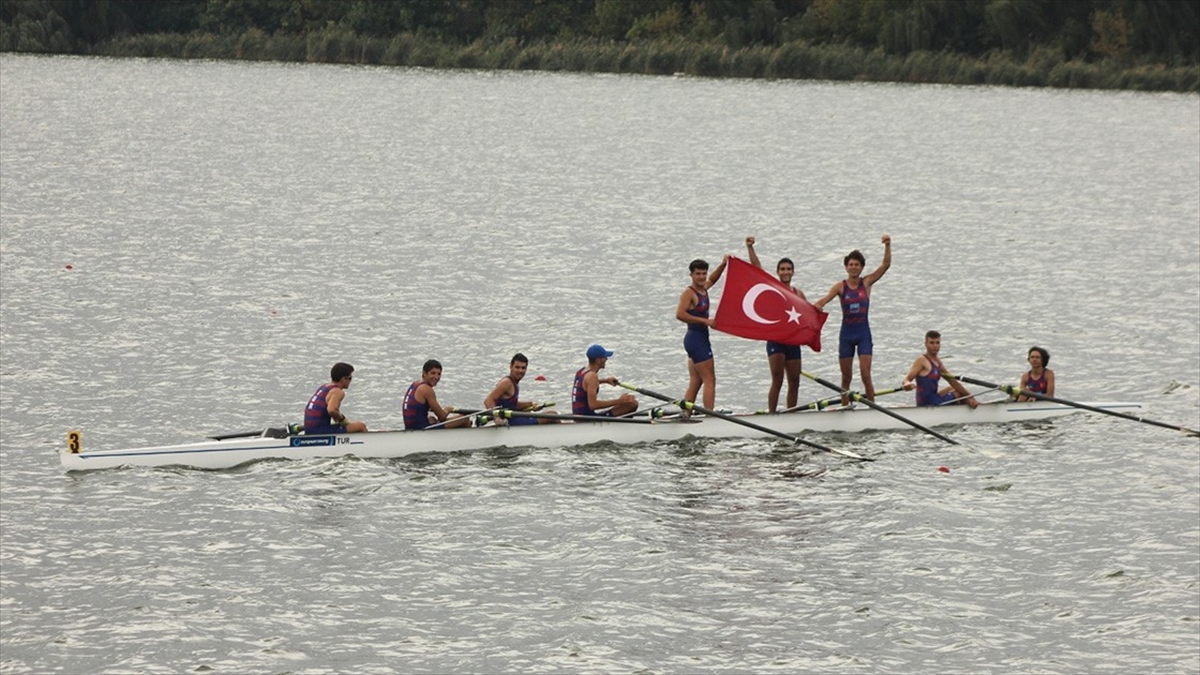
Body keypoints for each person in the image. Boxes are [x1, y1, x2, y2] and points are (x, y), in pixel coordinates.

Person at [812, 234, 891, 403]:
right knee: (846, 377)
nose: (854, 267)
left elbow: (885, 265)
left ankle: (873, 407)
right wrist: (812, 307)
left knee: (865, 375)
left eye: (857, 265)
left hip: (863, 334)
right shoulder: (840, 287)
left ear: (862, 268)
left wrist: (887, 245)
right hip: (846, 336)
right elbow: (822, 301)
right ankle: (845, 407)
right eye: (851, 265)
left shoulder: (867, 282)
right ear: (846, 267)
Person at [747, 236, 806, 412]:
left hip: (793, 342)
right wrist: (750, 248)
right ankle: (772, 414)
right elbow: (757, 269)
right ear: (778, 272)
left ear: (793, 272)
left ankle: (791, 412)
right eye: (782, 269)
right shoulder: (773, 288)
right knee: (778, 380)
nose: (786, 272)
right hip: (776, 341)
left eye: (789, 269)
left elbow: (808, 315)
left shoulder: (799, 294)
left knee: (794, 380)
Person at [676, 255, 729, 411]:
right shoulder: (689, 293)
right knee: (710, 379)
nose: (701, 277)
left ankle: (685, 413)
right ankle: (710, 417)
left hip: (699, 339)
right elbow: (680, 314)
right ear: (691, 275)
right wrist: (706, 321)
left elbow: (713, 279)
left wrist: (723, 264)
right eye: (698, 274)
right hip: (695, 339)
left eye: (703, 273)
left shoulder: (704, 287)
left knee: (696, 380)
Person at [902, 331, 978, 408]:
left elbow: (952, 381)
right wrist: (907, 384)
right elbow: (906, 379)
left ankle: (969, 405)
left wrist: (970, 395)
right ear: (925, 344)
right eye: (931, 343)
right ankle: (970, 409)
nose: (935, 346)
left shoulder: (937, 361)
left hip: (934, 398)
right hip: (926, 403)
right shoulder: (921, 360)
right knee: (959, 393)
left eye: (937, 343)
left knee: (953, 388)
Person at [484, 353, 560, 425]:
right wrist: (496, 418)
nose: (520, 371)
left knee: (537, 414)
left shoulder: (515, 383)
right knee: (553, 415)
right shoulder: (506, 383)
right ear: (511, 366)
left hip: (513, 418)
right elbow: (488, 400)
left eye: (523, 368)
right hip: (510, 422)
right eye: (517, 367)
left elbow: (511, 405)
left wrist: (530, 404)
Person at [572, 344, 638, 418]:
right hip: (587, 419)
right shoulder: (592, 376)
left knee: (628, 404)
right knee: (632, 404)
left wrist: (605, 381)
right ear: (598, 360)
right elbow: (593, 405)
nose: (607, 359)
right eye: (604, 357)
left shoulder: (581, 372)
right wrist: (619, 401)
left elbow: (585, 385)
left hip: (579, 416)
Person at [403, 359, 470, 429]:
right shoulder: (427, 389)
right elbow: (442, 416)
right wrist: (448, 410)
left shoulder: (415, 384)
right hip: (421, 430)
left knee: (432, 419)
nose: (436, 377)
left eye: (439, 374)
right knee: (464, 418)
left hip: (411, 427)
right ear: (424, 373)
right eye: (433, 373)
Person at [303, 362, 368, 434]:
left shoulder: (324, 387)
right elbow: (332, 410)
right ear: (343, 379)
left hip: (309, 429)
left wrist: (340, 421)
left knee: (347, 426)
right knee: (360, 426)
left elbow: (333, 414)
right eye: (350, 378)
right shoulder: (337, 391)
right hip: (319, 430)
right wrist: (343, 420)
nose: (350, 381)